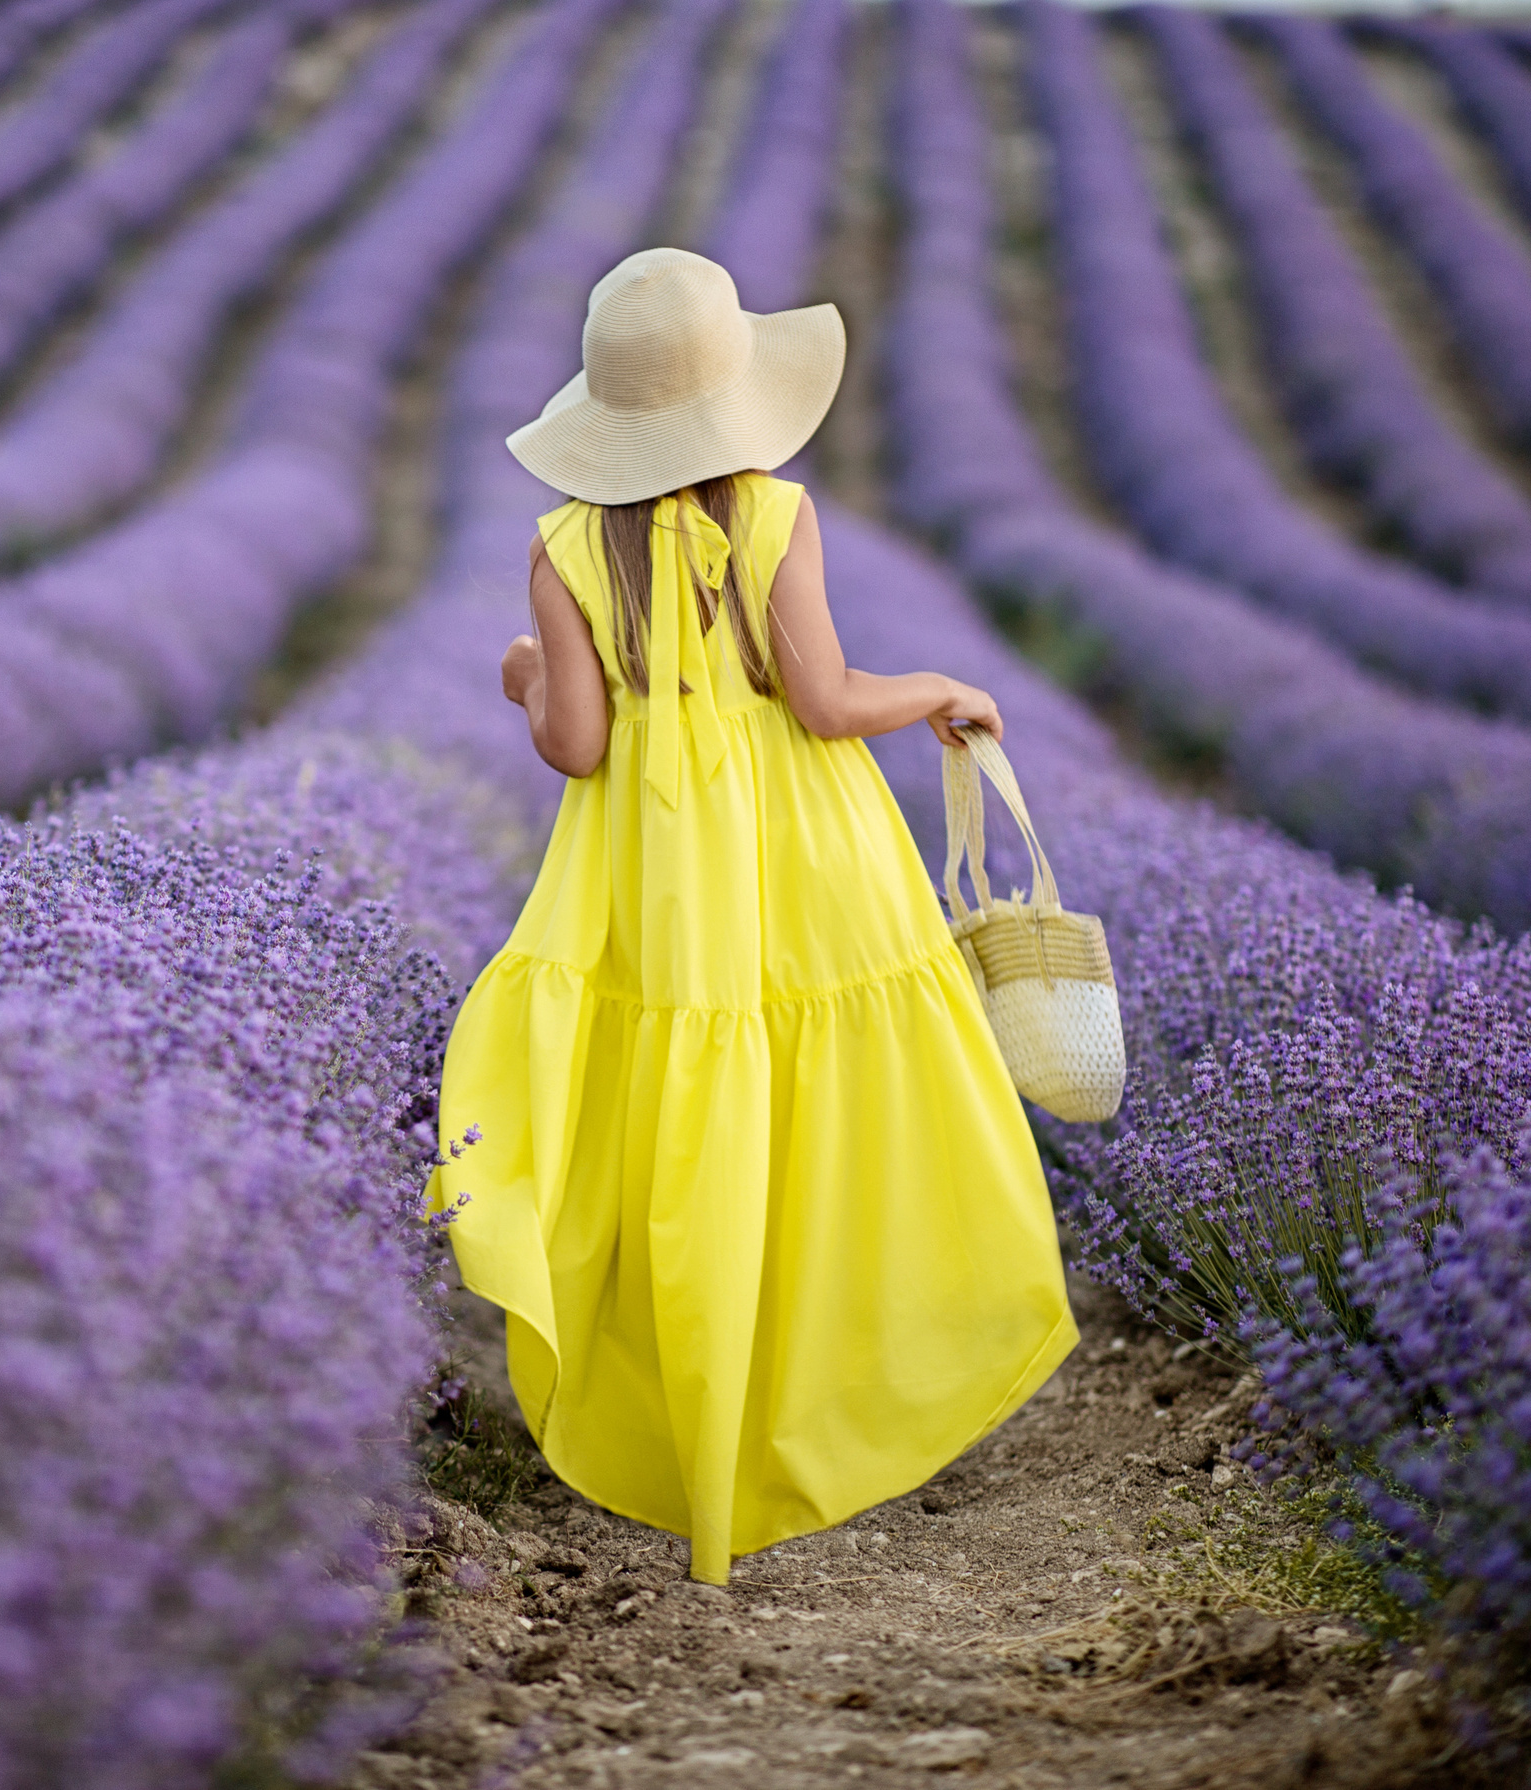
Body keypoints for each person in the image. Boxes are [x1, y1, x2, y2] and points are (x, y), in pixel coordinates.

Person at [430, 247, 1076, 1587]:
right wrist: (943, 686)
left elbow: (576, 745)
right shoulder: (776, 515)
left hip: (657, 878)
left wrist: (526, 672)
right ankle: (828, 1395)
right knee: (824, 1113)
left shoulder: (562, 544)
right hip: (801, 855)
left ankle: (695, 1432)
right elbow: (826, 699)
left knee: (687, 1121)